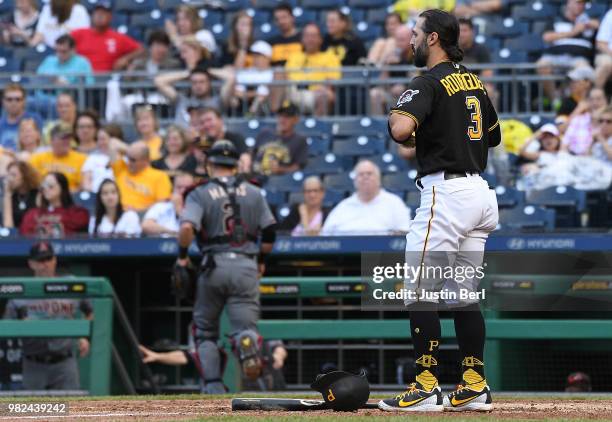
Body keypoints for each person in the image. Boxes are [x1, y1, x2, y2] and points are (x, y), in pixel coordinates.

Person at [380, 9, 500, 412]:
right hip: (480, 193)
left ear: (433, 39)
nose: (410, 40)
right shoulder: (474, 81)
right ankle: (473, 383)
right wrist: (433, 130)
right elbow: (493, 136)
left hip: (446, 195)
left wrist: (404, 120)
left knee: (418, 290)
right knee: (463, 295)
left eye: (415, 33)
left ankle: (426, 384)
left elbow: (399, 130)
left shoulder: (427, 80)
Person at [176, 140, 277, 393]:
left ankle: (212, 386)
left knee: (206, 332)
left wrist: (181, 256)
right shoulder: (254, 192)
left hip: (214, 266)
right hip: (246, 265)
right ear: (234, 165)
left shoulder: (199, 192)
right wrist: (262, 261)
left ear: (211, 164)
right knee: (245, 328)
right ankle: (246, 341)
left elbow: (187, 228)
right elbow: (270, 231)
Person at [3, 241, 93, 390]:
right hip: (34, 363)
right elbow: (6, 328)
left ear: (55, 260)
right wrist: (21, 326)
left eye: (48, 259)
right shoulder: (19, 292)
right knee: (34, 411)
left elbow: (92, 311)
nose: (45, 264)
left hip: (65, 363)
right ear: (31, 263)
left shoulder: (71, 284)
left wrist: (85, 336)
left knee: (70, 410)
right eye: (40, 260)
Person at [321, 160, 411, 236]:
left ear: (378, 179)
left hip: (383, 255)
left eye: (369, 173)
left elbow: (404, 232)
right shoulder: (343, 206)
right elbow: (325, 236)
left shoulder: (394, 203)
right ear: (355, 181)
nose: (365, 177)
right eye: (361, 174)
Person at [537, 0, 600, 101]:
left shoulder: (589, 22)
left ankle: (566, 95)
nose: (581, 6)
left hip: (579, 59)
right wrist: (573, 32)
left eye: (583, 4)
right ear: (568, 3)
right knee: (542, 65)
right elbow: (546, 37)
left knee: (584, 70)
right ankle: (555, 100)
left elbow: (605, 35)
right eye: (578, 3)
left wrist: (595, 24)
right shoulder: (556, 19)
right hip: (555, 57)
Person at [280, 23, 341, 116]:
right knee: (277, 73)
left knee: (326, 95)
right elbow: (286, 77)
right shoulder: (294, 57)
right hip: (293, 92)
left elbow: (332, 81)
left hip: (314, 94)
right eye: (307, 36)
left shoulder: (330, 57)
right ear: (302, 39)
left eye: (313, 36)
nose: (310, 39)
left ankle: (316, 127)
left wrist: (322, 88)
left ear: (320, 39)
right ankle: (275, 119)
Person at [71, 1, 143, 72]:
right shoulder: (79, 33)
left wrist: (125, 58)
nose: (100, 15)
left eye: (104, 13)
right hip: (81, 78)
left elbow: (140, 50)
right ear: (92, 15)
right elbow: (62, 46)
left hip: (107, 78)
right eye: (97, 12)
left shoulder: (117, 37)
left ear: (110, 17)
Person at [155, 67, 232, 128]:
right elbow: (159, 81)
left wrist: (207, 71)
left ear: (209, 83)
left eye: (202, 82)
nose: (198, 86)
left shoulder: (218, 102)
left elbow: (231, 78)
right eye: (194, 82)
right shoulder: (181, 100)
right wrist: (187, 73)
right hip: (183, 143)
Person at [20, 172, 89, 237]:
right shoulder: (32, 214)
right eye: (44, 186)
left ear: (62, 187)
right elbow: (25, 234)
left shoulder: (77, 213)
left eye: (50, 186)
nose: (46, 189)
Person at [111, 141, 172, 212]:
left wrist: (137, 210)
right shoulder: (122, 169)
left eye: (133, 160)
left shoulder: (160, 176)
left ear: (145, 160)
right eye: (128, 158)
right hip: (118, 214)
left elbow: (162, 204)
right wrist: (131, 151)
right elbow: (113, 144)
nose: (129, 162)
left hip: (143, 216)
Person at [369, 25, 414, 115]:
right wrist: (386, 65)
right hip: (392, 93)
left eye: (402, 40)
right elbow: (382, 82)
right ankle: (379, 125)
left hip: (412, 95)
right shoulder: (392, 54)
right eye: (397, 40)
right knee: (374, 94)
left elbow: (415, 79)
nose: (398, 44)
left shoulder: (415, 55)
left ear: (411, 40)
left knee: (399, 90)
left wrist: (404, 87)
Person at [252, 102, 308, 175]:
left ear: (296, 120)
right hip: (255, 177)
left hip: (280, 181)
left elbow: (298, 167)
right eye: (280, 116)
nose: (282, 120)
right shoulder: (265, 133)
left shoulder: (300, 140)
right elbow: (252, 154)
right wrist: (246, 157)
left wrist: (280, 169)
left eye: (287, 117)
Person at [28, 123, 87, 192]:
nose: (67, 141)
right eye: (63, 138)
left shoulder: (82, 159)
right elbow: (31, 183)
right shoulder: (37, 158)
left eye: (68, 138)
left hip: (70, 198)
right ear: (51, 140)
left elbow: (83, 187)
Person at [197, 108, 250, 172]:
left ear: (220, 120)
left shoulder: (235, 138)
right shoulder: (204, 144)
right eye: (202, 123)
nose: (206, 125)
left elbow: (245, 162)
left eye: (209, 120)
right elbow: (200, 169)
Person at [142, 172, 194, 237]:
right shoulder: (161, 206)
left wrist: (178, 210)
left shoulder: (198, 207)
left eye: (187, 188)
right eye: (179, 187)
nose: (182, 191)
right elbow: (146, 226)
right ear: (173, 189)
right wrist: (171, 232)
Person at [231, 41, 274, 116]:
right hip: (243, 104)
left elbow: (265, 94)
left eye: (259, 56)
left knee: (259, 99)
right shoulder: (247, 72)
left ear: (267, 57)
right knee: (233, 100)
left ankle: (252, 116)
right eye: (254, 55)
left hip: (264, 107)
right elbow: (237, 92)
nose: (255, 58)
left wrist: (251, 95)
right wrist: (254, 94)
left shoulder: (274, 73)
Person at [562, 86, 608, 155]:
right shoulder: (578, 119)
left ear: (606, 101)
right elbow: (564, 143)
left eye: (598, 99)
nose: (595, 103)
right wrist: (577, 110)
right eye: (591, 99)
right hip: (574, 159)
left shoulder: (609, 122)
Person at [81, 125, 126, 193]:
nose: (99, 143)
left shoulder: (127, 158)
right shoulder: (93, 158)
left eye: (103, 139)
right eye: (98, 139)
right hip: (96, 197)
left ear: (114, 140)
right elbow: (86, 183)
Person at [0, 84, 43, 152]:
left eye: (18, 99)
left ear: (24, 101)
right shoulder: (0, 123)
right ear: (3, 101)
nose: (13, 103)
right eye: (9, 99)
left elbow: (40, 143)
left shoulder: (34, 119)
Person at [2, 160, 39, 229]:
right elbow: (8, 228)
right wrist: (8, 195)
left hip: (32, 236)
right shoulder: (8, 196)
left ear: (25, 176)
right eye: (8, 175)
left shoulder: (38, 194)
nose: (9, 179)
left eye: (13, 175)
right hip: (14, 237)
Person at [595, 9, 612, 90]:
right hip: (608, 54)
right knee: (606, 64)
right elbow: (601, 43)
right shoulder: (610, 14)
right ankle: (595, 96)